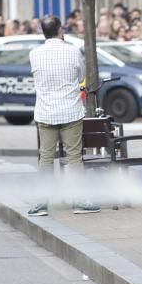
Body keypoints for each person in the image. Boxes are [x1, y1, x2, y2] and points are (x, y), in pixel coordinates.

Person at [27, 17, 99, 216]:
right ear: (60, 30)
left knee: (46, 158)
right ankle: (79, 201)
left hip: (45, 112)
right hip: (70, 110)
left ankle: (41, 203)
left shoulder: (34, 54)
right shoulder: (72, 50)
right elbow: (80, 75)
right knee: (74, 157)